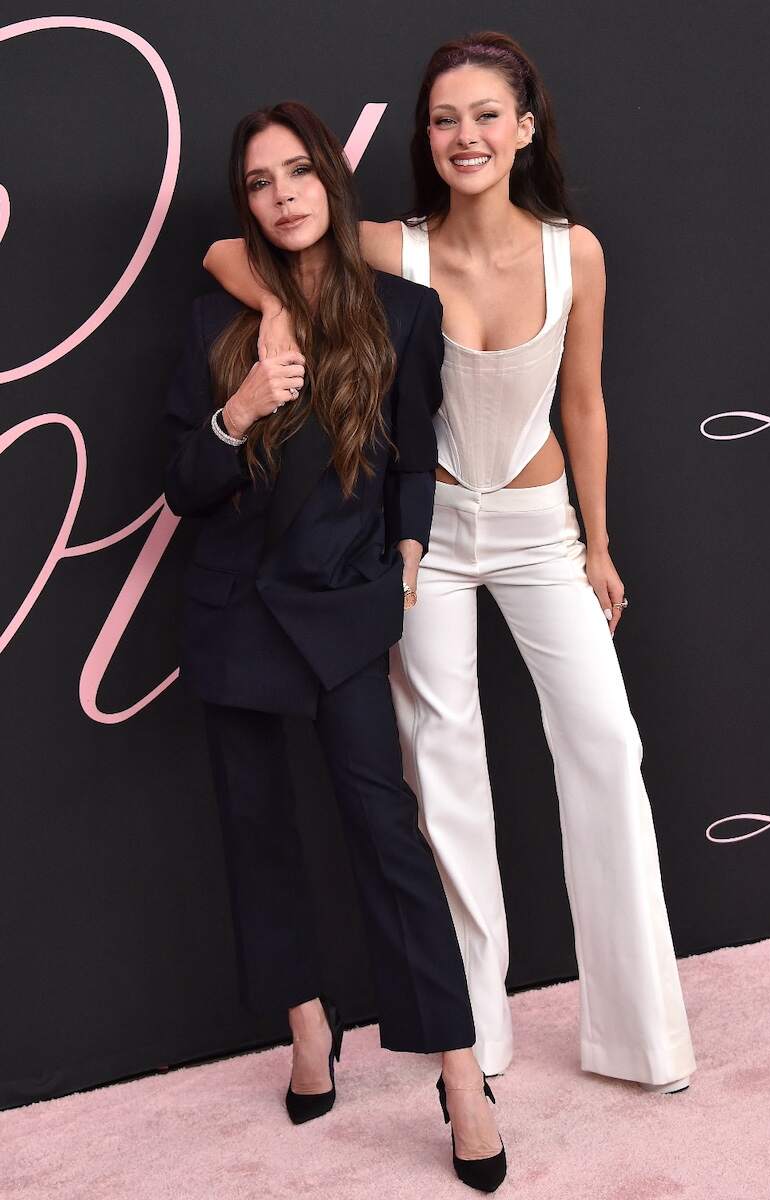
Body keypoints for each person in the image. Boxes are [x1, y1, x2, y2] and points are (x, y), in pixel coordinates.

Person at [203, 32, 695, 1093]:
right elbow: (232, 251)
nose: (463, 135)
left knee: (606, 745)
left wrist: (599, 544)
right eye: (442, 118)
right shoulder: (391, 247)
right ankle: (479, 1026)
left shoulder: (575, 253)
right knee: (443, 764)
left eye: (484, 115)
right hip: (422, 539)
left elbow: (585, 402)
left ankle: (641, 1037)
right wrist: (280, 306)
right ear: (425, 137)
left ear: (525, 128)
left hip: (539, 527)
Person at [166, 101, 507, 1192]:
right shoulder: (214, 319)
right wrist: (237, 411)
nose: (283, 196)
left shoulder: (406, 311)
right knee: (257, 831)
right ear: (247, 204)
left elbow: (413, 456)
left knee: (386, 834)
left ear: (332, 180)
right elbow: (182, 488)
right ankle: (308, 1026)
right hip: (235, 611)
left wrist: (408, 548)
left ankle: (460, 1074)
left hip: (342, 606)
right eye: (260, 182)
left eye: (299, 173)